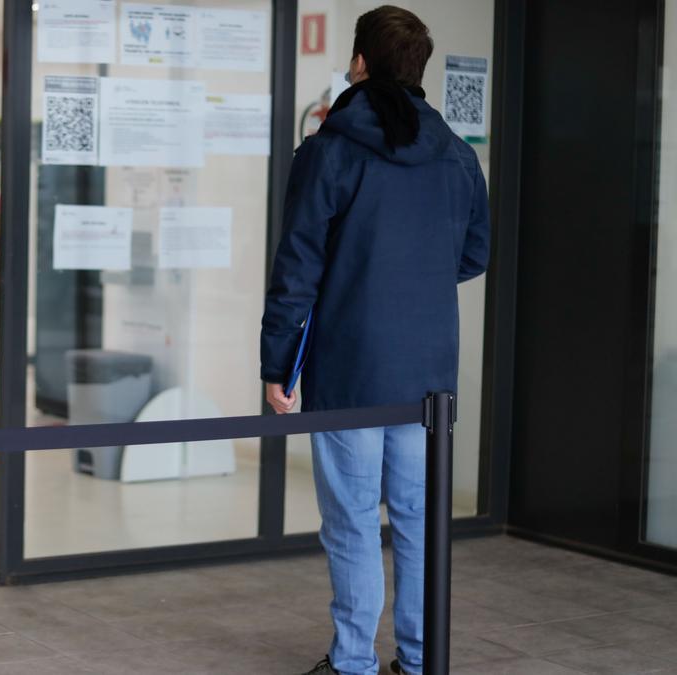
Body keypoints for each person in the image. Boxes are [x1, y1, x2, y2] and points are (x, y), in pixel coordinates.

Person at [259, 7, 489, 675]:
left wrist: (279, 363)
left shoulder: (330, 149)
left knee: (354, 520)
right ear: (417, 68)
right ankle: (419, 659)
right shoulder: (456, 154)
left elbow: (297, 266)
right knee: (419, 521)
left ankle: (354, 659)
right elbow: (473, 254)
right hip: (428, 379)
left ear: (359, 63)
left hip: (351, 370)